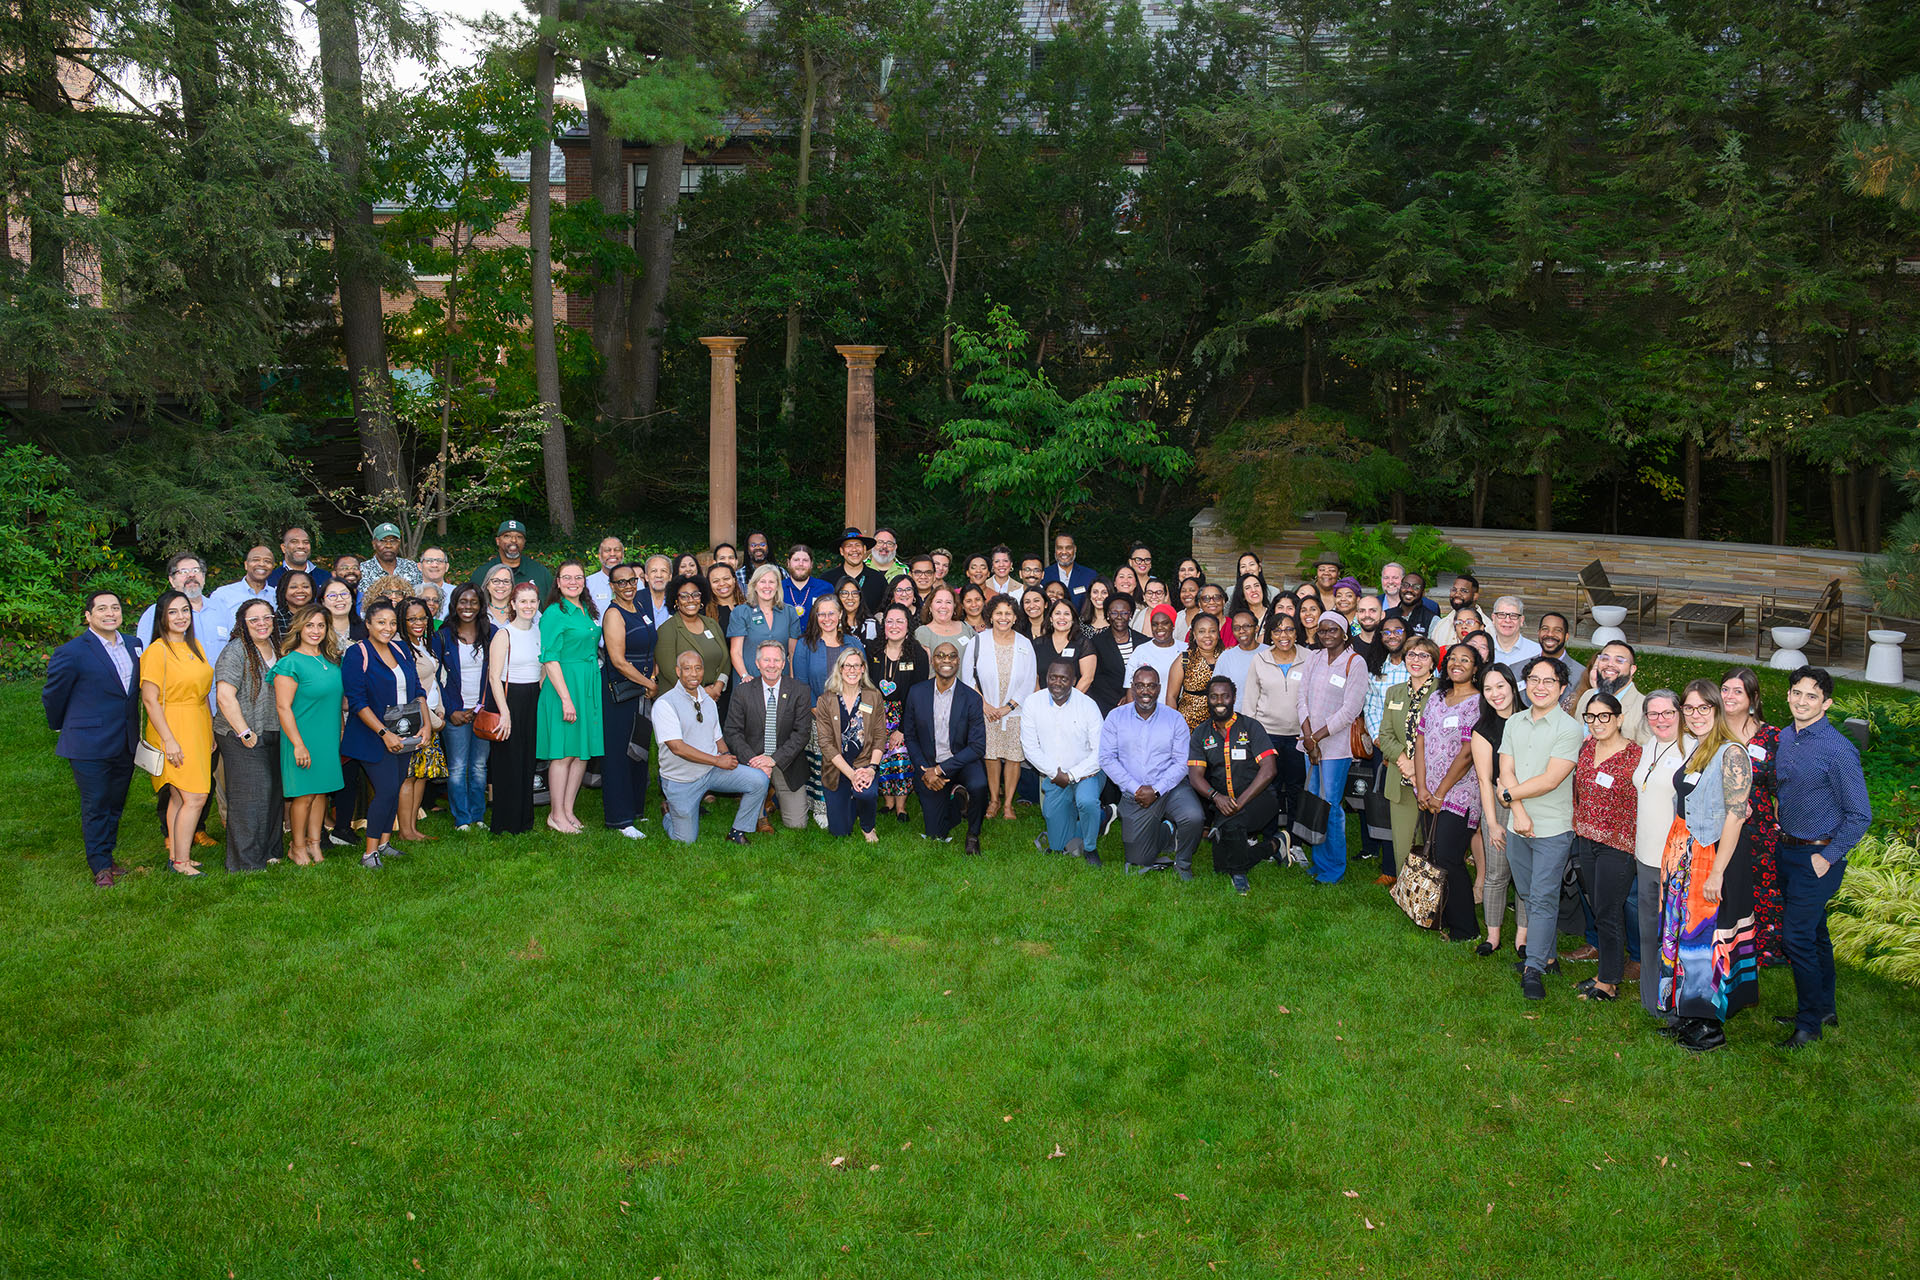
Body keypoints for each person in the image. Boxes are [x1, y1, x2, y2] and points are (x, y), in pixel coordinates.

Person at [1773, 666, 1871, 1049]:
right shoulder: (1785, 737)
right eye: (1797, 693)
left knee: (1795, 937)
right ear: (1788, 696)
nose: (1802, 701)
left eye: (1811, 696)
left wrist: (1828, 857)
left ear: (1826, 703)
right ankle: (1825, 1007)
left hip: (1819, 857)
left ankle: (1808, 1024)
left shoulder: (1838, 748)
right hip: (1789, 851)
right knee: (1814, 934)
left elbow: (1860, 813)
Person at [1657, 680, 1758, 1052]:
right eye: (1689, 708)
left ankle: (1708, 1026)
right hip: (1685, 852)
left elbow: (1735, 816)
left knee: (1706, 937)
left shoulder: (1732, 753)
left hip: (1714, 856)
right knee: (1683, 934)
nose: (1696, 715)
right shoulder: (1698, 748)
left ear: (1716, 710)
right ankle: (1687, 1012)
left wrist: (1716, 872)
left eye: (1704, 708)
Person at [44, 590, 144, 887]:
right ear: (88, 616)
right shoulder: (72, 652)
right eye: (102, 608)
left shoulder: (134, 645)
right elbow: (53, 695)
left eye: (115, 607)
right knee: (96, 803)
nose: (110, 613)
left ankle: (108, 856)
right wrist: (63, 725)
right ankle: (99, 865)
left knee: (115, 802)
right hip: (88, 743)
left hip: (126, 740)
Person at [1500, 656, 1583, 1000]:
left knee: (1545, 897)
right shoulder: (1515, 722)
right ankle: (1548, 957)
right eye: (1535, 679)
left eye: (1549, 681)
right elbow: (1506, 768)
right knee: (1529, 894)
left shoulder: (1570, 728)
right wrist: (1516, 808)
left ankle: (1533, 968)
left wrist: (1507, 795)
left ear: (1563, 688)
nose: (1540, 686)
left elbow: (1551, 780)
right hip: (1518, 824)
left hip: (1552, 827)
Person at [1566, 690, 1643, 1001]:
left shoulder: (1636, 756)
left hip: (1618, 844)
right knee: (1599, 909)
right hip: (1587, 839)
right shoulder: (1586, 749)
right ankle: (1605, 973)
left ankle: (1608, 984)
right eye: (1590, 717)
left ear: (1619, 718)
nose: (1596, 723)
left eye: (1604, 716)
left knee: (1609, 911)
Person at [340, 600, 426, 869]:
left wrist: (425, 725)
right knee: (387, 790)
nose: (387, 628)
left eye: (391, 623)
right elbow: (357, 702)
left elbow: (417, 689)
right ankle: (369, 853)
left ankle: (385, 843)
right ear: (368, 624)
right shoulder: (357, 654)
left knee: (396, 787)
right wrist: (383, 733)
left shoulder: (400, 649)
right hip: (372, 736)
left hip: (405, 733)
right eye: (380, 622)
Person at [654, 651, 770, 844]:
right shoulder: (665, 704)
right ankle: (668, 813)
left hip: (711, 771)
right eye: (687, 668)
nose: (693, 674)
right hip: (682, 779)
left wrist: (727, 757)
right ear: (678, 671)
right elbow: (677, 747)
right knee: (685, 840)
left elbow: (717, 738)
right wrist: (718, 760)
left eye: (698, 668)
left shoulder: (708, 701)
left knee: (758, 779)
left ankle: (737, 832)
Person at [1100, 667, 1204, 878]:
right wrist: (1136, 788)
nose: (1145, 691)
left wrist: (1156, 790)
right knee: (1138, 860)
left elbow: (1182, 762)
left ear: (1158, 688)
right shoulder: (1115, 717)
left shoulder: (1174, 719)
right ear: (1133, 688)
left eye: (1150, 686)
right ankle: (1167, 832)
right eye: (1139, 685)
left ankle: (1183, 862)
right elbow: (1106, 759)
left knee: (1194, 816)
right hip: (1135, 794)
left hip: (1171, 787)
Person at [142, 590, 215, 876]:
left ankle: (176, 856)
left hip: (197, 722)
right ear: (162, 616)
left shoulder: (194, 645)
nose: (180, 617)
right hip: (172, 725)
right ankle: (182, 862)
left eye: (185, 610)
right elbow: (149, 699)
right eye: (173, 612)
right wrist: (169, 740)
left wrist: (208, 731)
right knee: (195, 797)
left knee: (178, 797)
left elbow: (204, 693)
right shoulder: (157, 651)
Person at [1408, 641, 1477, 932]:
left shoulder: (1477, 701)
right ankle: (1442, 917)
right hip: (1428, 791)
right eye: (1452, 659)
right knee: (1434, 856)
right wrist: (1422, 787)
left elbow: (1467, 753)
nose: (1457, 663)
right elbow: (1421, 739)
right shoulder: (1437, 697)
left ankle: (1466, 929)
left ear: (1476, 669)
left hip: (1459, 793)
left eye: (1465, 660)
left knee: (1450, 857)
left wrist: (1439, 793)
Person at [1188, 675, 1280, 894]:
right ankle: (1273, 846)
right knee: (1220, 867)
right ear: (1207, 700)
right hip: (1222, 804)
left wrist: (1240, 802)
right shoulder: (1201, 733)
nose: (1220, 702)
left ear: (1233, 698)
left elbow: (1269, 770)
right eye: (1214, 697)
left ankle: (1239, 875)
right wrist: (1216, 797)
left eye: (1225, 696)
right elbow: (1195, 776)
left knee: (1233, 825)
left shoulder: (1251, 727)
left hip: (1259, 800)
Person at [212, 599, 284, 871]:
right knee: (251, 797)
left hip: (274, 730)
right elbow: (224, 696)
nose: (262, 623)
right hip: (240, 733)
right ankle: (245, 862)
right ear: (243, 623)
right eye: (254, 620)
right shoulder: (236, 650)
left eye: (267, 617)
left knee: (273, 793)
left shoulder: (278, 648)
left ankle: (270, 850)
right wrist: (244, 731)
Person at [1719, 667, 1784, 968]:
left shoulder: (1771, 737)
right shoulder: (1709, 729)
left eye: (1737, 691)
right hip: (1717, 823)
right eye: (1725, 689)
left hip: (1758, 828)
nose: (1729, 696)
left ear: (1752, 698)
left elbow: (1781, 787)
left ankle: (1763, 949)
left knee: (1759, 886)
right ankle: (1724, 940)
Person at [531, 560, 602, 835]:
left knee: (581, 753)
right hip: (564, 685)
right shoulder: (553, 613)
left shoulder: (585, 610)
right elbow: (550, 658)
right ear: (558, 582)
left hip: (587, 683)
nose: (573, 582)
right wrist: (566, 699)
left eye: (579, 577)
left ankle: (569, 810)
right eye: (567, 578)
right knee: (563, 753)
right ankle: (555, 814)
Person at [1296, 615, 1368, 884]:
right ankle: (1320, 861)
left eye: (1333, 630)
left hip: (1335, 747)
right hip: (1309, 744)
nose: (1326, 634)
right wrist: (1308, 738)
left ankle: (1334, 868)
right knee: (1315, 799)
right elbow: (1301, 698)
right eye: (1322, 630)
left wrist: (1316, 738)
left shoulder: (1354, 662)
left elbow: (1350, 710)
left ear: (1345, 633)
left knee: (1331, 805)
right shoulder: (1313, 658)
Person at [1632, 690, 1689, 1024]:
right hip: (1645, 854)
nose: (1661, 720)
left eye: (1668, 713)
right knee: (1648, 929)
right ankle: (1650, 998)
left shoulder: (1691, 750)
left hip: (1674, 860)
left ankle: (1675, 1006)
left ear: (1680, 713)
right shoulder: (1650, 745)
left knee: (1673, 935)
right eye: (1653, 714)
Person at [273, 605, 345, 866]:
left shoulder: (329, 660)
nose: (316, 631)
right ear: (299, 629)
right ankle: (297, 846)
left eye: (321, 626)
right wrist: (298, 745)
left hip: (326, 737)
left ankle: (315, 844)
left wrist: (340, 731)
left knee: (321, 792)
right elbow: (283, 707)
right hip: (301, 737)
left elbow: (335, 701)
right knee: (303, 795)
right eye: (310, 625)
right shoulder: (290, 662)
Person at [902, 641, 990, 852]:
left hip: (962, 762)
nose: (946, 660)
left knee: (978, 785)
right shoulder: (916, 693)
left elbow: (978, 747)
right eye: (941, 655)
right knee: (936, 833)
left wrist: (940, 770)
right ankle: (959, 801)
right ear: (933, 661)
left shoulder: (971, 698)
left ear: (958, 662)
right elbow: (911, 736)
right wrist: (925, 769)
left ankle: (973, 834)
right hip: (929, 763)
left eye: (951, 656)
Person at [1021, 658, 1107, 866]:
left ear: (1073, 680)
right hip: (1055, 775)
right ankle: (1102, 817)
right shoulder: (1032, 703)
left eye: (1064, 679)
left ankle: (1090, 847)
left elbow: (1099, 752)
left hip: (1088, 772)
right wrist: (1056, 774)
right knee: (1059, 846)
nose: (1057, 683)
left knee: (1086, 802)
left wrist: (1071, 776)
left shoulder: (1088, 705)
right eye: (1053, 677)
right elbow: (1030, 748)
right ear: (1045, 678)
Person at [725, 639, 815, 830]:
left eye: (776, 660)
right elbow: (732, 732)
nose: (771, 665)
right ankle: (761, 798)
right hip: (753, 761)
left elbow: (802, 734)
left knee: (797, 824)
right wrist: (753, 760)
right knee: (754, 817)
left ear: (784, 663)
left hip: (786, 762)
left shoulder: (800, 691)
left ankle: (770, 794)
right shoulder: (743, 692)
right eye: (766, 660)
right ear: (757, 664)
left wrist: (773, 759)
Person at [962, 594, 1037, 822]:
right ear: (991, 616)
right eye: (998, 613)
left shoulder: (1024, 644)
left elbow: (1030, 679)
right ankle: (994, 800)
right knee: (991, 755)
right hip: (985, 711)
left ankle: (1008, 804)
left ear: (1015, 617)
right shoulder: (977, 641)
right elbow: (967, 677)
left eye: (1008, 613)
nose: (1003, 617)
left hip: (1015, 712)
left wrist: (1008, 707)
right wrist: (984, 705)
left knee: (1014, 757)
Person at [793, 596, 865, 826]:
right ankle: (820, 807)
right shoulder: (806, 644)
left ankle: (851, 799)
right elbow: (802, 684)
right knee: (821, 759)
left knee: (850, 756)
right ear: (815, 616)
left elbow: (863, 680)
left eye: (831, 613)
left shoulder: (854, 643)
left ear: (840, 615)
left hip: (851, 714)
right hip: (817, 713)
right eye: (821, 614)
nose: (827, 619)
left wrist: (850, 715)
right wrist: (821, 713)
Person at [598, 561, 658, 839]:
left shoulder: (641, 608)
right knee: (618, 754)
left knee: (638, 749)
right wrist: (649, 683)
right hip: (620, 692)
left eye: (632, 580)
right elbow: (619, 661)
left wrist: (652, 674)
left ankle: (635, 809)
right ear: (612, 586)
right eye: (621, 582)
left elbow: (649, 646)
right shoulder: (613, 614)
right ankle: (619, 818)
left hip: (642, 690)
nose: (628, 586)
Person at [1241, 612, 1306, 852]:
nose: (1283, 636)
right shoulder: (1260, 659)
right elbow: (1249, 701)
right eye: (1277, 631)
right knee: (1268, 789)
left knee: (1296, 790)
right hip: (1267, 735)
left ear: (1296, 632)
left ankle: (1294, 841)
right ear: (1270, 634)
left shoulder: (1309, 658)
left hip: (1299, 737)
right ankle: (1268, 838)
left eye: (1289, 629)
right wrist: (1250, 739)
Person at [485, 582, 545, 837]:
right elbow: (493, 676)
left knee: (528, 760)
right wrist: (505, 712)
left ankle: (524, 819)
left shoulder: (540, 632)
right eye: (523, 602)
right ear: (513, 604)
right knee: (508, 760)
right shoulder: (503, 634)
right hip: (509, 698)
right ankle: (505, 820)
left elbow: (543, 666)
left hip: (534, 697)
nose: (528, 606)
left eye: (532, 602)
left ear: (538, 604)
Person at [1471, 663, 1522, 955]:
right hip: (1498, 804)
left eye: (1500, 686)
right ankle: (1493, 936)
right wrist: (1491, 823)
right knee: (1496, 873)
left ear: (1512, 686)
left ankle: (1523, 938)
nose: (1495, 694)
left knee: (1525, 876)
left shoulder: (1530, 718)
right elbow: (1483, 779)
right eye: (1488, 689)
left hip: (1531, 802)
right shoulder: (1484, 729)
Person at [435, 585, 494, 833]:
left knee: (479, 766)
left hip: (484, 711)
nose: (467, 607)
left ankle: (478, 815)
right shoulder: (442, 635)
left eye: (473, 602)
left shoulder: (492, 633)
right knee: (458, 767)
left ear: (481, 605)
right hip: (456, 712)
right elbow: (435, 678)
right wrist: (451, 711)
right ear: (454, 604)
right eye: (462, 601)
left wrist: (485, 706)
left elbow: (497, 674)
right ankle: (462, 818)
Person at [815, 648, 887, 840]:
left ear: (863, 669)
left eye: (857, 665)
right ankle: (851, 800)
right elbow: (826, 743)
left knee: (866, 795)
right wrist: (852, 775)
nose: (852, 670)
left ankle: (867, 825)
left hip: (864, 765)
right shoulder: (825, 700)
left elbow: (880, 736)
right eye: (847, 665)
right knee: (840, 832)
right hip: (838, 769)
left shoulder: (874, 696)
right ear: (840, 669)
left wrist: (871, 768)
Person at [866, 605, 927, 825]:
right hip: (876, 713)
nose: (894, 626)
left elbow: (919, 694)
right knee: (879, 754)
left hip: (906, 714)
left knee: (899, 754)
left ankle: (901, 806)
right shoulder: (872, 650)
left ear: (908, 626)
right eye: (890, 621)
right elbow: (866, 686)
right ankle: (888, 802)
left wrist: (901, 729)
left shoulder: (917, 653)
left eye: (900, 621)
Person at [397, 598, 446, 844]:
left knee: (421, 773)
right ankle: (405, 830)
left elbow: (433, 680)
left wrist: (441, 709)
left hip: (432, 715)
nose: (419, 623)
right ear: (401, 621)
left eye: (422, 618)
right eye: (412, 619)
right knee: (409, 775)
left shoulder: (423, 642)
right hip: (413, 718)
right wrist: (430, 720)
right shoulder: (399, 646)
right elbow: (410, 687)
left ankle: (414, 827)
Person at [656, 573, 730, 710]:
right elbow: (670, 671)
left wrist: (719, 685)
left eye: (695, 595)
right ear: (676, 601)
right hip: (680, 704)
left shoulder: (712, 624)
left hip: (715, 700)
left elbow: (725, 658)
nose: (691, 600)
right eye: (684, 596)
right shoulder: (667, 629)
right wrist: (702, 693)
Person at [204, 544, 276, 668]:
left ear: (273, 567)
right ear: (246, 565)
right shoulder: (223, 595)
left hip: (269, 662)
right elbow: (211, 633)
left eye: (267, 561)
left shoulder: (277, 596)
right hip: (232, 662)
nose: (262, 564)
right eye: (256, 560)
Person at [730, 564, 800, 681]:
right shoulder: (741, 612)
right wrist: (744, 675)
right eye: (762, 582)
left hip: (780, 680)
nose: (767, 586)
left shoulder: (789, 612)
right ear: (754, 585)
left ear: (778, 586)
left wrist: (792, 680)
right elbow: (736, 652)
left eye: (771, 582)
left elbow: (792, 653)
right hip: (749, 680)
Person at [136, 553, 217, 655]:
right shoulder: (157, 611)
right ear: (172, 580)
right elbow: (146, 653)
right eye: (183, 572)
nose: (191, 575)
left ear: (204, 577)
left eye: (196, 570)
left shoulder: (221, 609)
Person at [1574, 641, 1649, 744]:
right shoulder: (1587, 696)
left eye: (1619, 660)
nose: (1610, 664)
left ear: (1632, 670)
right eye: (1605, 659)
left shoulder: (1645, 708)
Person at [469, 518, 554, 601]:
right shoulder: (482, 573)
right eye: (507, 536)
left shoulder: (540, 573)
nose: (513, 540)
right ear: (498, 541)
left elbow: (553, 605)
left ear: (524, 542)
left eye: (519, 537)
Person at [1167, 611, 1224, 729]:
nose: (1207, 636)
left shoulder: (1226, 657)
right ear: (1194, 634)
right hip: (1189, 725)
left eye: (1212, 631)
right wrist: (1175, 726)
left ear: (1218, 633)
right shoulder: (1184, 659)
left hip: (1221, 724)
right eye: (1201, 631)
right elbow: (1171, 696)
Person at [1031, 597, 1094, 696]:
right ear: (1051, 618)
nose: (1062, 617)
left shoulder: (1083, 644)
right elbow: (1034, 676)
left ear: (1073, 619)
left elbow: (1087, 678)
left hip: (1074, 702)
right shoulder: (1038, 644)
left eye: (1067, 614)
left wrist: (1069, 701)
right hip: (1043, 703)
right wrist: (1040, 700)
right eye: (1057, 613)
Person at [1086, 593, 1137, 715]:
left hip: (1139, 704)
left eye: (1124, 613)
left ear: (1130, 615)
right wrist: (1119, 700)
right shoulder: (1096, 642)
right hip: (1107, 706)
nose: (1119, 617)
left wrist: (1130, 696)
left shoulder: (1143, 641)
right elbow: (1097, 678)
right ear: (1107, 615)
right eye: (1114, 613)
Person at [1125, 603, 1186, 690]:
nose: (1159, 628)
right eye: (1155, 624)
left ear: (1173, 625)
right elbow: (1130, 687)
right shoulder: (1141, 650)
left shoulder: (1185, 649)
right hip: (1147, 703)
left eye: (1165, 623)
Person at [831, 528, 890, 616]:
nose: (854, 549)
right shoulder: (828, 579)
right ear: (841, 551)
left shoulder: (878, 579)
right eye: (849, 546)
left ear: (864, 549)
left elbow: (886, 609)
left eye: (857, 545)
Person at [1536, 612, 1584, 711]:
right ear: (1538, 633)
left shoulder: (1581, 675)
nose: (1550, 634)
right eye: (1545, 629)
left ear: (1566, 637)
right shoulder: (1517, 669)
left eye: (1557, 630)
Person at [268, 525, 331, 595]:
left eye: (306, 542)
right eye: (294, 542)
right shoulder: (270, 580)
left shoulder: (326, 578)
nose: (301, 546)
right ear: (283, 548)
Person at [1214, 608, 1262, 697]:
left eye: (1246, 626)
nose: (1241, 631)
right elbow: (1216, 688)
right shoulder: (1226, 656)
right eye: (1236, 628)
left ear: (1256, 628)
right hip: (1235, 710)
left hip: (1265, 710)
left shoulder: (1268, 653)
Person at [914, 584, 973, 657]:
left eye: (948, 602)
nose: (944, 606)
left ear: (954, 606)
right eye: (939, 602)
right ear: (930, 606)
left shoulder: (966, 628)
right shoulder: (922, 633)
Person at [1488, 596, 1542, 674]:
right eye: (1502, 615)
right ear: (1493, 618)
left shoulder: (1537, 652)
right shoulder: (1484, 650)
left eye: (1513, 616)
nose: (1507, 620)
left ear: (1521, 620)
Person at [1043, 532, 1097, 606]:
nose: (1064, 552)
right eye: (1060, 548)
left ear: (1075, 549)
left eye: (1068, 548)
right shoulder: (1044, 575)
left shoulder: (1090, 575)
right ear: (1055, 550)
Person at [1428, 574, 1481, 647]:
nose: (1457, 594)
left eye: (1464, 591)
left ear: (1475, 596)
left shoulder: (1487, 626)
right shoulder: (1442, 624)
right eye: (1454, 590)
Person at [782, 544, 834, 617]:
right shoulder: (778, 589)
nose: (800, 564)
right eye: (796, 560)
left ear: (811, 564)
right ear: (788, 563)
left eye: (805, 560)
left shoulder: (825, 588)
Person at [1386, 572, 1440, 637]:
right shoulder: (1387, 615)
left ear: (1423, 593)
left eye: (1416, 587)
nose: (1409, 590)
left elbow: (1434, 646)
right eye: (1405, 585)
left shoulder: (1432, 620)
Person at [321, 578, 366, 652]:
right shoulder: (317, 631)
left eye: (344, 594)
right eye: (332, 595)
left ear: (352, 599)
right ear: (323, 602)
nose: (339, 599)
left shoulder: (366, 629)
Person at [585, 535, 626, 615]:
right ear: (599, 556)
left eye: (617, 550)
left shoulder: (635, 583)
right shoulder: (588, 583)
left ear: (623, 555)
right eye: (607, 550)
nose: (612, 554)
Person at [273, 570, 315, 641]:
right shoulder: (275, 620)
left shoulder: (321, 615)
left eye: (305, 586)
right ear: (283, 590)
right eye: (293, 587)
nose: (300, 591)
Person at [708, 559, 744, 636]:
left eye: (726, 579)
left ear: (734, 579)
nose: (722, 584)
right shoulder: (706, 614)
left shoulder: (749, 607)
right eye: (715, 581)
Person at [838, 577, 878, 646]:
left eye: (854, 593)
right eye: (844, 593)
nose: (850, 598)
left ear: (860, 597)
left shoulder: (871, 625)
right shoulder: (832, 623)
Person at [418, 547, 454, 619]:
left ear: (447, 567)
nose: (434, 565)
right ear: (420, 566)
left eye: (439, 561)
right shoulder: (411, 593)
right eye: (429, 561)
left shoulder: (457, 594)